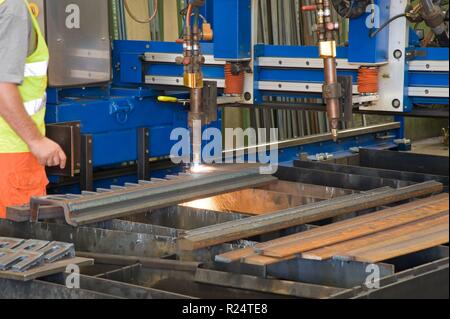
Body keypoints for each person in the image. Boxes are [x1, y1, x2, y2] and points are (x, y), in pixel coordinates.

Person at [0, 0, 66, 218]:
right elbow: (2, 87)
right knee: (18, 246)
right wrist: (36, 140)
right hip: (12, 155)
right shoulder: (12, 8)